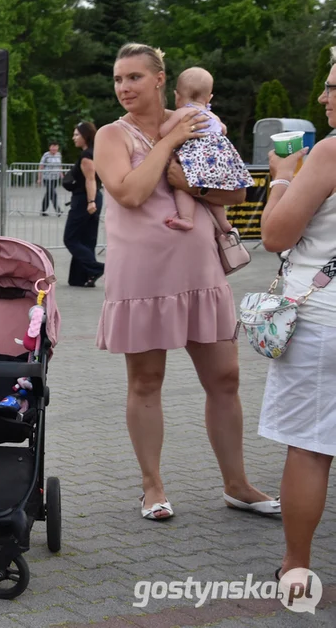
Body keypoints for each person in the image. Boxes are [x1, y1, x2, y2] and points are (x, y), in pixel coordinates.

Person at [93, 42, 277, 522]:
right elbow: (130, 193)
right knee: (147, 381)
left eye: (134, 77)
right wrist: (170, 144)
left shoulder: (196, 119)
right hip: (142, 274)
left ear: (160, 79)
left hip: (200, 270)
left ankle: (237, 484)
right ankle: (152, 487)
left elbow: (236, 189)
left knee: (226, 378)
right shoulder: (113, 136)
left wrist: (190, 184)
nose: (124, 87)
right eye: (117, 79)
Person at [258, 55, 336, 578]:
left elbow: (276, 235)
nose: (324, 97)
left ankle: (297, 568)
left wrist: (282, 178)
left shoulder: (330, 153)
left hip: (323, 321)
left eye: (333, 88)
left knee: (310, 450)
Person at [161, 68, 251, 233]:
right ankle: (224, 223)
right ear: (209, 98)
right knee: (214, 190)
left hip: (196, 160)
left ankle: (187, 218)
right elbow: (223, 130)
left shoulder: (183, 112)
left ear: (177, 96)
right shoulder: (212, 116)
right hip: (220, 160)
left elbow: (164, 132)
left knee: (181, 186)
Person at [63, 121, 104, 287]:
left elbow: (90, 179)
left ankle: (96, 268)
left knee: (70, 238)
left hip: (84, 199)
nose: (73, 138)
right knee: (87, 239)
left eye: (76, 134)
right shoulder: (96, 153)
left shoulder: (87, 156)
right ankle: (81, 277)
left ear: (85, 136)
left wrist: (90, 201)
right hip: (92, 198)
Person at [38, 142, 64, 216]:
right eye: (52, 147)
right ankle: (58, 210)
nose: (54, 148)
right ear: (49, 147)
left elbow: (60, 166)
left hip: (55, 178)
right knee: (53, 194)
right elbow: (41, 166)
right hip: (47, 178)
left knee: (48, 194)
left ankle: (43, 210)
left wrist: (62, 175)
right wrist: (39, 178)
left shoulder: (59, 155)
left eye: (56, 147)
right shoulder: (46, 155)